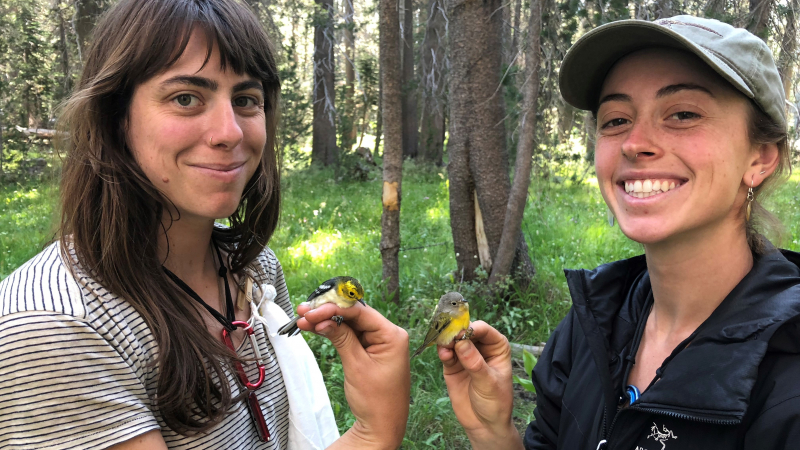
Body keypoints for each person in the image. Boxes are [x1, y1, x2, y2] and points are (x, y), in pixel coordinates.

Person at [0, 1, 410, 449]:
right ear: (115, 118)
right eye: (186, 98)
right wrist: (375, 433)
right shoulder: (55, 328)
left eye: (246, 100)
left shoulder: (252, 270)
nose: (230, 131)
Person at [438, 15, 800, 450]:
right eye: (615, 120)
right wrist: (494, 432)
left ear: (760, 157)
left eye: (683, 113)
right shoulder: (592, 324)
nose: (634, 142)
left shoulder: (788, 373)